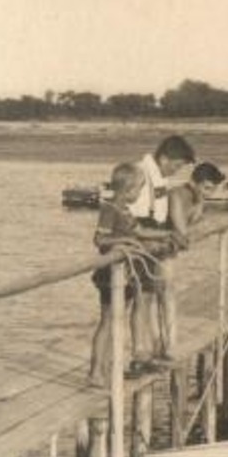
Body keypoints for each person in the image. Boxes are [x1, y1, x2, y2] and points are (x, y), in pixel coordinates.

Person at [87, 163, 177, 384]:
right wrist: (125, 241)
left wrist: (166, 234)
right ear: (127, 190)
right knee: (108, 320)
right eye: (138, 190)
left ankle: (106, 368)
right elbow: (99, 240)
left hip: (125, 274)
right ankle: (96, 372)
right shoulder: (110, 209)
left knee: (117, 320)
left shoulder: (125, 210)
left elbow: (138, 231)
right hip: (110, 274)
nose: (139, 194)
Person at [130, 135, 195, 364]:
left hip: (153, 243)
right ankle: (139, 352)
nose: (177, 172)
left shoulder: (158, 178)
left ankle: (149, 349)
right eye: (176, 166)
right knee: (141, 299)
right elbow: (133, 220)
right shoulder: (141, 175)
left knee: (148, 297)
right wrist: (159, 237)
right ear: (164, 158)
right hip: (140, 246)